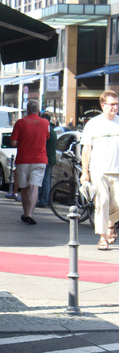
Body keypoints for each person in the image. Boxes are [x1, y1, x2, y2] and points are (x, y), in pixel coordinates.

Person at [80, 90, 119, 250]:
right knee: (102, 202)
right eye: (112, 104)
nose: (115, 108)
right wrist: (85, 172)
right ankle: (102, 237)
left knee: (117, 203)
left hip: (117, 170)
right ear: (103, 105)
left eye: (117, 104)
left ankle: (111, 222)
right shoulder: (93, 124)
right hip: (99, 170)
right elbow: (86, 149)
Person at [10, 99, 49, 225]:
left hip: (23, 159)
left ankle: (26, 212)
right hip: (40, 159)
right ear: (38, 110)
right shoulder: (45, 123)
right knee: (34, 187)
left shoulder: (20, 123)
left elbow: (13, 142)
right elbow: (46, 137)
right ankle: (30, 213)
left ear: (27, 110)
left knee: (24, 188)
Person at [37, 112, 57, 207]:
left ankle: (44, 200)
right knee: (46, 179)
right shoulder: (52, 130)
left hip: (46, 158)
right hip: (51, 157)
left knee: (45, 180)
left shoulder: (47, 130)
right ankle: (45, 199)